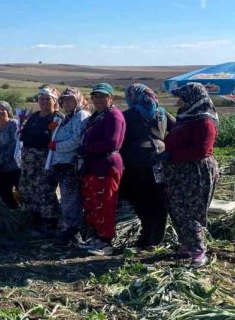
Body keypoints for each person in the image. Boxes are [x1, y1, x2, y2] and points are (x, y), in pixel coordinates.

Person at [156, 83, 218, 268]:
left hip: (195, 172)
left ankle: (199, 251)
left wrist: (172, 155)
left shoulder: (204, 120)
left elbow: (202, 149)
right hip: (178, 171)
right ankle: (187, 245)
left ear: (192, 98)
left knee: (190, 210)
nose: (178, 100)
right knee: (176, 209)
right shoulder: (187, 117)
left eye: (182, 97)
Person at [119, 84, 175, 250]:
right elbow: (178, 128)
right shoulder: (162, 113)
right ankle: (155, 237)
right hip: (160, 161)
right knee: (158, 199)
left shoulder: (128, 115)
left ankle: (147, 236)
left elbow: (118, 137)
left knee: (140, 199)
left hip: (136, 162)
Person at [77, 83, 126, 256]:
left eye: (102, 96)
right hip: (93, 164)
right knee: (93, 203)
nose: (98, 100)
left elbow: (112, 142)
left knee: (105, 203)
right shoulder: (98, 116)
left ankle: (106, 242)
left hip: (107, 164)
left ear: (110, 98)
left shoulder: (113, 116)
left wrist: (87, 148)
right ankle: (97, 237)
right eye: (95, 97)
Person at [48, 88, 91, 245]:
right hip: (62, 164)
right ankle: (71, 230)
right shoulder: (67, 118)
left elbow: (77, 140)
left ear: (78, 99)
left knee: (71, 200)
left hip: (72, 164)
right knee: (67, 199)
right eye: (64, 100)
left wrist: (56, 146)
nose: (66, 103)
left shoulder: (81, 116)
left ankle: (74, 232)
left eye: (70, 99)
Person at [19, 86, 63, 234]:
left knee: (45, 192)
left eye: (47, 99)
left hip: (45, 162)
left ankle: (50, 224)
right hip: (28, 163)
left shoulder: (57, 117)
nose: (43, 102)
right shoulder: (34, 116)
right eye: (41, 99)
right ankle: (35, 221)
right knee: (28, 190)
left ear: (54, 101)